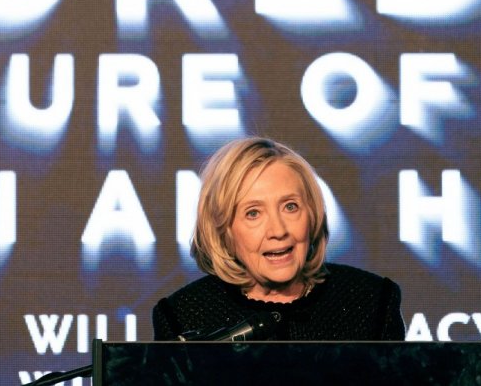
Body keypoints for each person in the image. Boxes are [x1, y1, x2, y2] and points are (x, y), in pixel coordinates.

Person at [153, 136, 405, 341]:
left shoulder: (373, 301)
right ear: (223, 230)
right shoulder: (182, 316)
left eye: (290, 207)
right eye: (253, 213)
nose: (278, 230)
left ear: (313, 214)